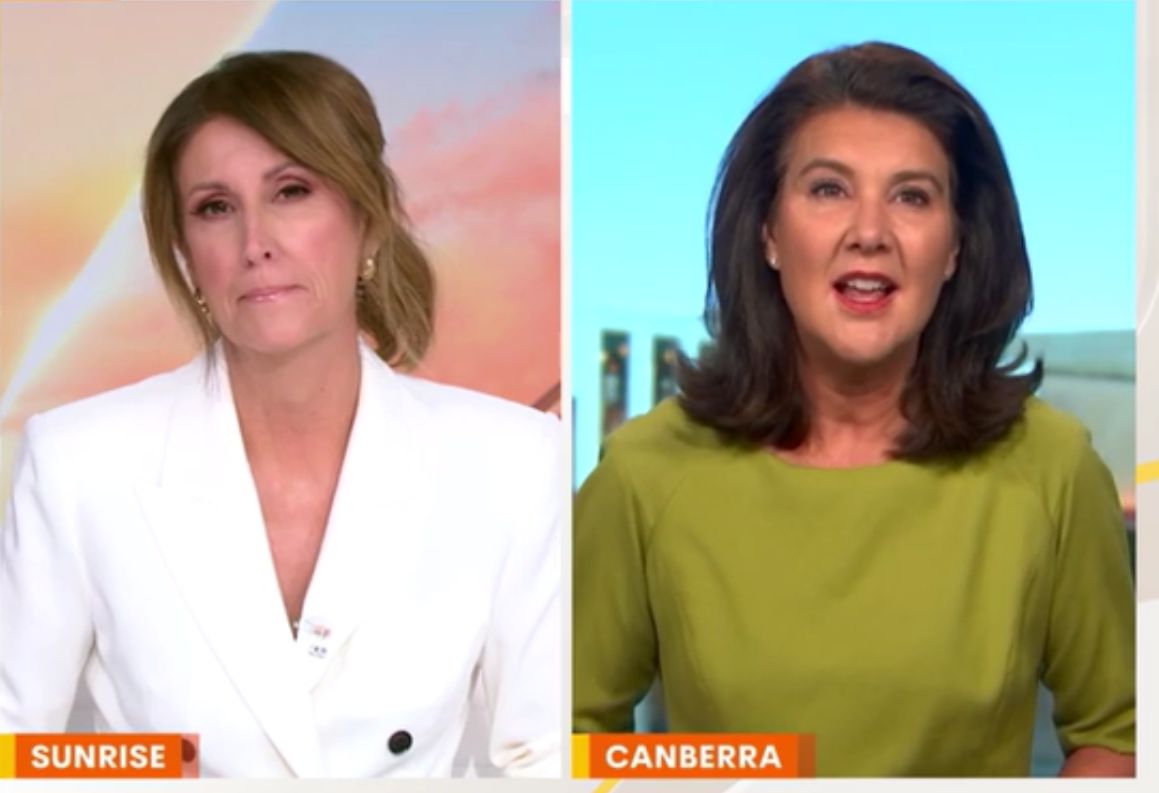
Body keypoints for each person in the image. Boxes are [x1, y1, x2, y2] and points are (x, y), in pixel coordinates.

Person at [572, 42, 1135, 777]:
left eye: (911, 197)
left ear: (956, 246)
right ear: (768, 233)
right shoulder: (646, 472)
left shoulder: (1052, 469)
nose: (869, 232)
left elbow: (1118, 734)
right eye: (828, 189)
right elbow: (567, 733)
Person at [0, 50, 562, 778]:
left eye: (292, 191)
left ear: (368, 221)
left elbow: (541, 761)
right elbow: (15, 754)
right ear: (184, 252)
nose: (255, 244)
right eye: (215, 207)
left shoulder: (512, 460)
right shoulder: (78, 462)